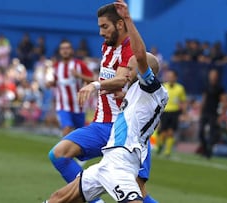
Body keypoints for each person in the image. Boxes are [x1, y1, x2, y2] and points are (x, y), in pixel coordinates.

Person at [45, 1, 168, 202]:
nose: (101, 32)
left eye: (105, 26)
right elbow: (123, 81)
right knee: (59, 157)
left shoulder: (135, 58)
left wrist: (95, 85)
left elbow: (124, 76)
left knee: (138, 192)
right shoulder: (108, 49)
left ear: (119, 25)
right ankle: (92, 198)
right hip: (104, 125)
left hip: (129, 140)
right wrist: (120, 91)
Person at [49, 39, 94, 136]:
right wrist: (50, 83)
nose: (65, 51)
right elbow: (56, 82)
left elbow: (93, 79)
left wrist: (79, 75)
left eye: (67, 48)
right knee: (67, 128)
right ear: (60, 51)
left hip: (79, 107)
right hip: (63, 106)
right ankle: (63, 151)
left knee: (80, 135)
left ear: (72, 50)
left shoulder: (79, 64)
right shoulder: (57, 66)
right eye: (62, 48)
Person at [157, 69, 186, 157]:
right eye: (168, 76)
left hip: (174, 112)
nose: (170, 78)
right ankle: (160, 145)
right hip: (164, 112)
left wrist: (184, 114)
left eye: (172, 76)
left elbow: (183, 101)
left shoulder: (180, 88)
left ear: (175, 77)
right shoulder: (163, 86)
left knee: (171, 132)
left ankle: (167, 152)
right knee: (163, 132)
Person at [197, 69, 225, 158]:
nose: (212, 77)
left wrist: (221, 114)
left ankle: (209, 151)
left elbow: (223, 101)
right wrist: (200, 111)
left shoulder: (220, 88)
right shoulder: (207, 86)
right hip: (205, 112)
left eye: (214, 75)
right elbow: (204, 99)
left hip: (214, 113)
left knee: (212, 133)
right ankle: (204, 149)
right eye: (211, 74)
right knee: (201, 132)